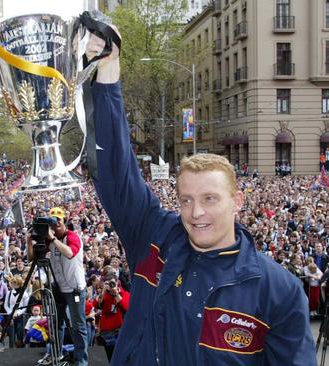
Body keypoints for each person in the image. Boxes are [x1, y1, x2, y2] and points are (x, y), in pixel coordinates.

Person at [87, 29, 315, 365]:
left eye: (210, 199)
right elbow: (117, 173)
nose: (196, 212)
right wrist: (108, 70)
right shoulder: (154, 240)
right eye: (186, 200)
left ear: (237, 201)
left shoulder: (279, 290)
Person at [28, 206, 88, 366]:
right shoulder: (50, 240)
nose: (56, 224)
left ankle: (81, 360)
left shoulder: (73, 237)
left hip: (75, 289)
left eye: (59, 220)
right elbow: (31, 258)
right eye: (53, 221)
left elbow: (69, 253)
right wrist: (30, 240)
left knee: (78, 325)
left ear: (65, 221)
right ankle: (56, 353)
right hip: (58, 288)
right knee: (55, 323)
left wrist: (52, 238)